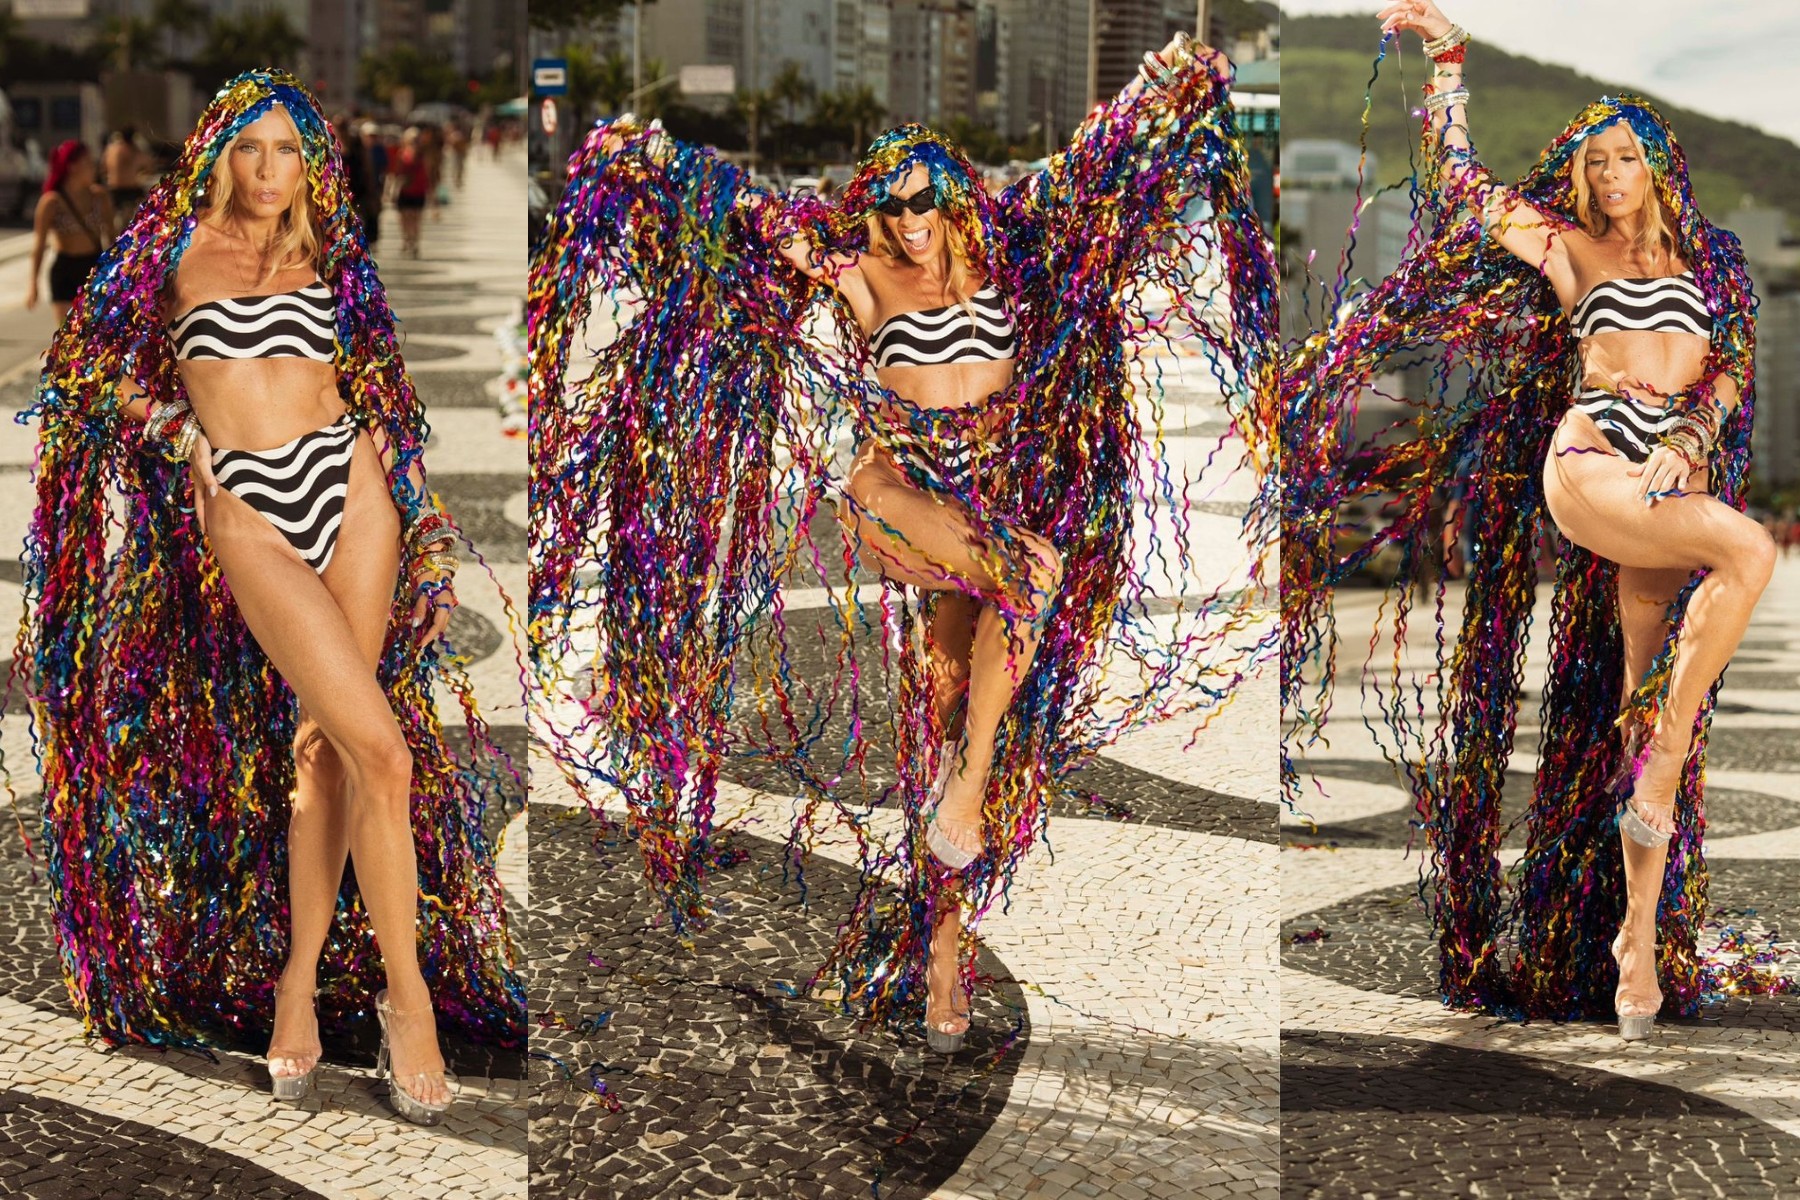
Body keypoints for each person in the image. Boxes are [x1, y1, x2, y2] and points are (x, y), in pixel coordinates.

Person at [530, 35, 1277, 1051]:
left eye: (926, 200)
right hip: (895, 499)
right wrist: (655, 152)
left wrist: (1164, 83)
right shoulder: (862, 274)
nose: (911, 220)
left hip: (987, 515)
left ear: (956, 195)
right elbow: (748, 213)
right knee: (1034, 578)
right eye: (892, 205)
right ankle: (966, 796)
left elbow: (1094, 163)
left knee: (949, 711)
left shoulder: (1011, 255)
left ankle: (943, 958)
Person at [24, 70, 524, 1123]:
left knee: (331, 750)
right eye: (248, 148)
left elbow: (384, 398)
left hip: (353, 486)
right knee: (383, 751)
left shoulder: (332, 257)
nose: (266, 169)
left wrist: (429, 534)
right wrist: (179, 433)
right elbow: (79, 369)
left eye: (287, 149)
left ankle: (333, 989)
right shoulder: (165, 255)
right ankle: (396, 999)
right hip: (246, 504)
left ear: (311, 162)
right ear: (216, 155)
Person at [1284, 2, 1766, 1040]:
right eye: (1594, 162)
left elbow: (1727, 370)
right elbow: (1460, 183)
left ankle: (1636, 942)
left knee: (1640, 698)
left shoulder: (1712, 262)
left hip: (1671, 477)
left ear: (1658, 167)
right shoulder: (1567, 248)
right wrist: (1448, 59)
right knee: (1752, 548)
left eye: (1624, 159)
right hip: (1592, 463)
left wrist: (1693, 432)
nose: (1609, 176)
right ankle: (1666, 764)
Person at [26, 141, 114, 323]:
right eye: (88, 163)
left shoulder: (100, 196)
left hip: (93, 267)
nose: (94, 168)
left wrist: (117, 272)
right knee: (66, 332)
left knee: (94, 332)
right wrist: (33, 283)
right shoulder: (51, 202)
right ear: (72, 167)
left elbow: (112, 238)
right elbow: (39, 245)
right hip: (64, 270)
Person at [389, 127, 431, 257]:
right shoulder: (401, 153)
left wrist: (432, 193)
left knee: (416, 218)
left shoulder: (424, 155)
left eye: (417, 139)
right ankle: (406, 239)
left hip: (419, 190)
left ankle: (415, 242)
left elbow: (429, 173)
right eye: (412, 139)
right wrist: (391, 190)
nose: (415, 142)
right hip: (404, 190)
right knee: (404, 218)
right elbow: (395, 173)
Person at [103, 126, 145, 215]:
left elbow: (103, 167)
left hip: (112, 187)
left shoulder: (111, 149)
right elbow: (147, 163)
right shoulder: (130, 150)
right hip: (128, 189)